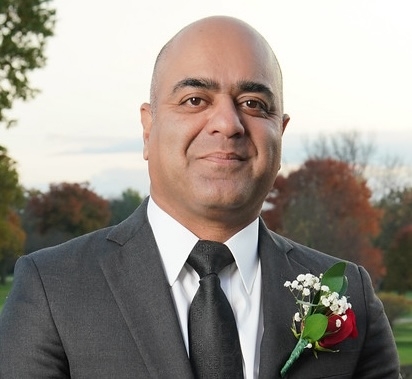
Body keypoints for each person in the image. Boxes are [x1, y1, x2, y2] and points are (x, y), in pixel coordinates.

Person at [0, 16, 400, 379]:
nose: (228, 123)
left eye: (253, 104)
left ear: (281, 131)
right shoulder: (53, 287)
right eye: (195, 100)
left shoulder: (349, 295)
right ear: (147, 128)